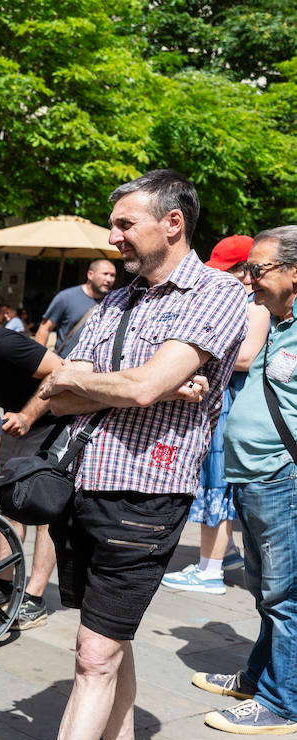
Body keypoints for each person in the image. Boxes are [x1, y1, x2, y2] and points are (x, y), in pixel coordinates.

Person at [0, 170, 248, 740]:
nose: (111, 238)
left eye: (124, 224)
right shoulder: (120, 297)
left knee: (93, 656)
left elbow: (134, 387)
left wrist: (130, 383)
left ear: (172, 223)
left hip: (149, 495)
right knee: (109, 634)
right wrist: (131, 382)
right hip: (85, 483)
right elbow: (63, 387)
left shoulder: (220, 294)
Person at [192, 225, 297, 735]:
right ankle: (260, 677)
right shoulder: (278, 323)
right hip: (254, 477)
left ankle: (282, 703)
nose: (248, 279)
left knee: (285, 596)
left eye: (258, 269)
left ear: (294, 273)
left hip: (284, 478)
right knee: (263, 591)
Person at [161, 235, 270, 595]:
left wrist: (198, 351)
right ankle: (226, 555)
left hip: (232, 408)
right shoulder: (245, 304)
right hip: (226, 405)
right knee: (214, 484)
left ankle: (209, 570)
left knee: (217, 486)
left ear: (246, 271)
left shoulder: (256, 308)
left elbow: (247, 357)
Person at [0, 325, 65, 627]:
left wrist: (28, 415)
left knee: (44, 506)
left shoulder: (1, 343)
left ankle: (34, 598)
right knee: (6, 499)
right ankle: (3, 582)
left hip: (55, 417)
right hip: (16, 418)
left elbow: (61, 371)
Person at [35, 259, 117, 357]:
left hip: (96, 368)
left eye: (113, 275)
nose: (109, 279)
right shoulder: (65, 297)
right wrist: (38, 360)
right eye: (105, 274)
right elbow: (45, 328)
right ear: (90, 275)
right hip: (64, 363)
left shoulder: (115, 302)